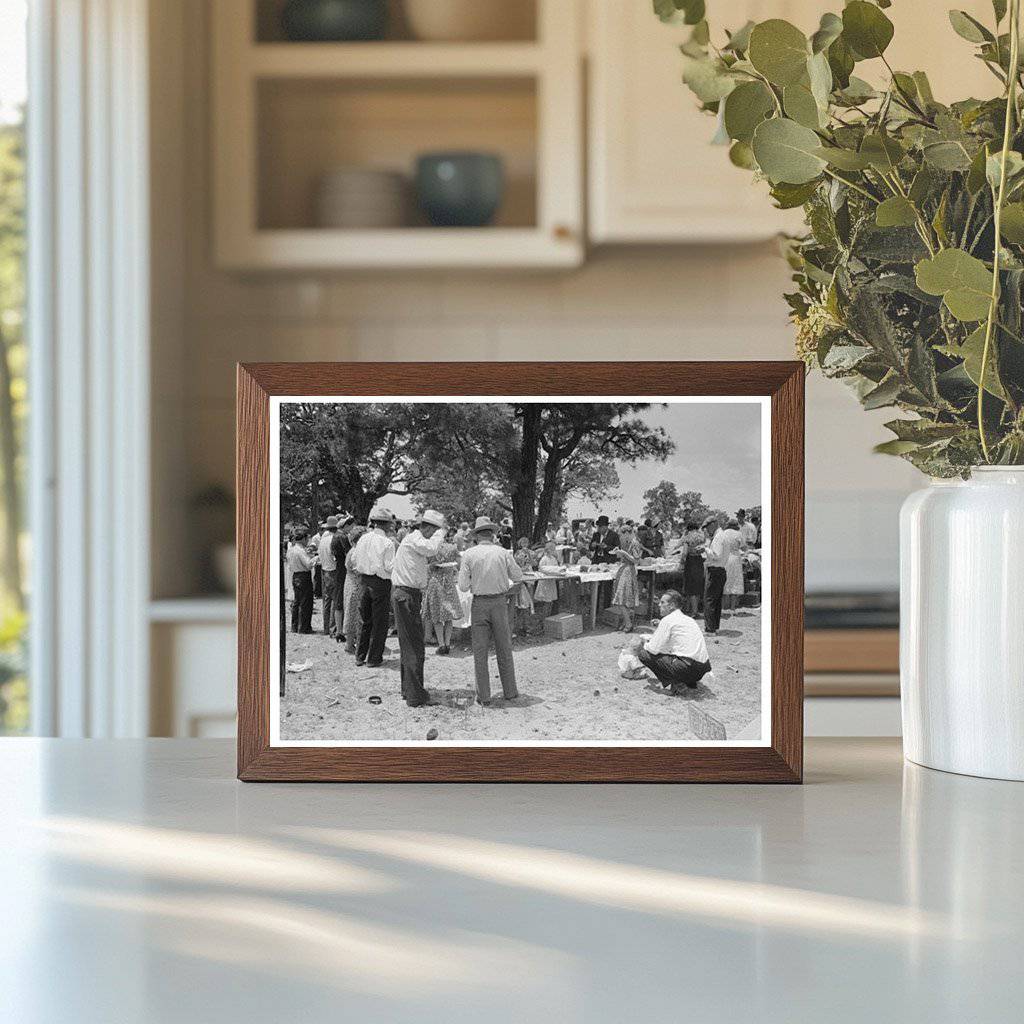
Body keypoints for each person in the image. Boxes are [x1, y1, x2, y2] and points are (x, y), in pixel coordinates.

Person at [458, 516, 524, 705]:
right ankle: (510, 691)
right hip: (499, 602)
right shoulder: (503, 553)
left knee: (480, 652)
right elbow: (518, 576)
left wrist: (476, 580)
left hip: (479, 603)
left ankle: (484, 696)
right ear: (492, 534)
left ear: (477, 536)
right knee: (504, 648)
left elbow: (462, 586)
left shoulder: (469, 554)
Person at [390, 510, 447, 706]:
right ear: (429, 528)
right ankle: (415, 695)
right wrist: (441, 533)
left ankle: (410, 690)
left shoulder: (412, 540)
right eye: (435, 532)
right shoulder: (415, 538)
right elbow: (432, 549)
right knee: (414, 646)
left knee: (409, 646)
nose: (436, 537)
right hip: (407, 594)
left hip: (406, 593)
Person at [631, 590, 711, 693]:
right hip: (702, 667)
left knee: (644, 654)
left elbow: (653, 649)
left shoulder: (668, 620)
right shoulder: (688, 619)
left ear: (672, 605)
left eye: (663, 602)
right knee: (668, 653)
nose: (659, 605)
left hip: (687, 667)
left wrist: (643, 643)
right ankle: (685, 681)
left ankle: (674, 683)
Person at [352, 508, 397, 667]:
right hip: (380, 582)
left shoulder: (363, 539)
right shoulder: (387, 543)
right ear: (387, 525)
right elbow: (389, 566)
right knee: (380, 622)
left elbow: (354, 559)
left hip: (363, 580)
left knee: (364, 620)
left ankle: (360, 656)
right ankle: (374, 658)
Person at [423, 533, 461, 655]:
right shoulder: (453, 548)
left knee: (436, 615)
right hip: (449, 582)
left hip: (435, 582)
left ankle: (441, 644)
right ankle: (448, 643)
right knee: (449, 615)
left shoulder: (431, 549)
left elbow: (427, 566)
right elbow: (459, 564)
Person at [610, 523, 642, 631]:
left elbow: (636, 560)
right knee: (623, 598)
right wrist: (619, 553)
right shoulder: (627, 543)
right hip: (624, 569)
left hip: (629, 570)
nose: (620, 537)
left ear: (627, 533)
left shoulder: (635, 543)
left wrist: (623, 553)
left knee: (621, 598)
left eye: (621, 535)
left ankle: (628, 623)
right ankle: (626, 621)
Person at [341, 525, 366, 655]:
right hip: (355, 585)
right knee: (353, 614)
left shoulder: (352, 550)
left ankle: (351, 643)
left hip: (351, 584)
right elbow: (357, 569)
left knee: (352, 614)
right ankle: (350, 644)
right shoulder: (355, 552)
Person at [702, 516, 728, 634]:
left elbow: (716, 555)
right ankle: (714, 626)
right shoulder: (722, 535)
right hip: (721, 570)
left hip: (715, 570)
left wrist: (705, 548)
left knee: (709, 600)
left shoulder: (718, 537)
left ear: (713, 524)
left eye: (707, 528)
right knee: (716, 601)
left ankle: (710, 629)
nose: (707, 531)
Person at [329, 514, 354, 640]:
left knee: (338, 599)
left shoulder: (334, 536)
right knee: (343, 600)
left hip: (338, 569)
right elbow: (349, 554)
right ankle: (341, 630)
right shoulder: (342, 537)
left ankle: (338, 630)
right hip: (344, 571)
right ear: (347, 525)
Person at [286, 528, 315, 633]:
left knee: (297, 602)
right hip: (303, 576)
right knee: (305, 602)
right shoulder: (301, 551)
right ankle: (304, 627)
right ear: (303, 538)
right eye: (306, 538)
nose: (308, 540)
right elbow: (308, 564)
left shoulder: (291, 550)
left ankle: (294, 626)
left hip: (295, 575)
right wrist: (315, 559)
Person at [317, 515, 340, 636]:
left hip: (324, 570)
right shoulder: (334, 540)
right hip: (333, 571)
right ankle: (333, 628)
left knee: (327, 601)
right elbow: (335, 557)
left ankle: (326, 627)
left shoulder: (323, 540)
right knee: (335, 601)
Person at [681, 518, 706, 618]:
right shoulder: (702, 536)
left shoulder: (688, 537)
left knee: (691, 587)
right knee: (698, 585)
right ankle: (694, 609)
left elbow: (684, 552)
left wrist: (681, 563)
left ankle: (694, 611)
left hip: (690, 561)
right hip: (699, 561)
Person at [512, 536, 536, 636]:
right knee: (519, 602)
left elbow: (535, 563)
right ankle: (519, 627)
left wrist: (529, 555)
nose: (524, 545)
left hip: (529, 579)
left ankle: (528, 627)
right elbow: (514, 565)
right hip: (521, 578)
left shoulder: (532, 552)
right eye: (523, 543)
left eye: (526, 543)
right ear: (520, 544)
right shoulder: (517, 553)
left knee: (529, 602)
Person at [721, 517, 746, 613]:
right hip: (735, 557)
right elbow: (743, 547)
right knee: (735, 581)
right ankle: (732, 607)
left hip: (725, 557)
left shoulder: (723, 533)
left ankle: (724, 606)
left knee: (725, 580)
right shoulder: (739, 534)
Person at [534, 540, 560, 613]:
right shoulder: (544, 559)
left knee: (550, 600)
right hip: (545, 582)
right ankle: (544, 616)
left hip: (551, 582)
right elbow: (541, 568)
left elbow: (556, 567)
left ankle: (549, 615)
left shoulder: (553, 559)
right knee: (546, 600)